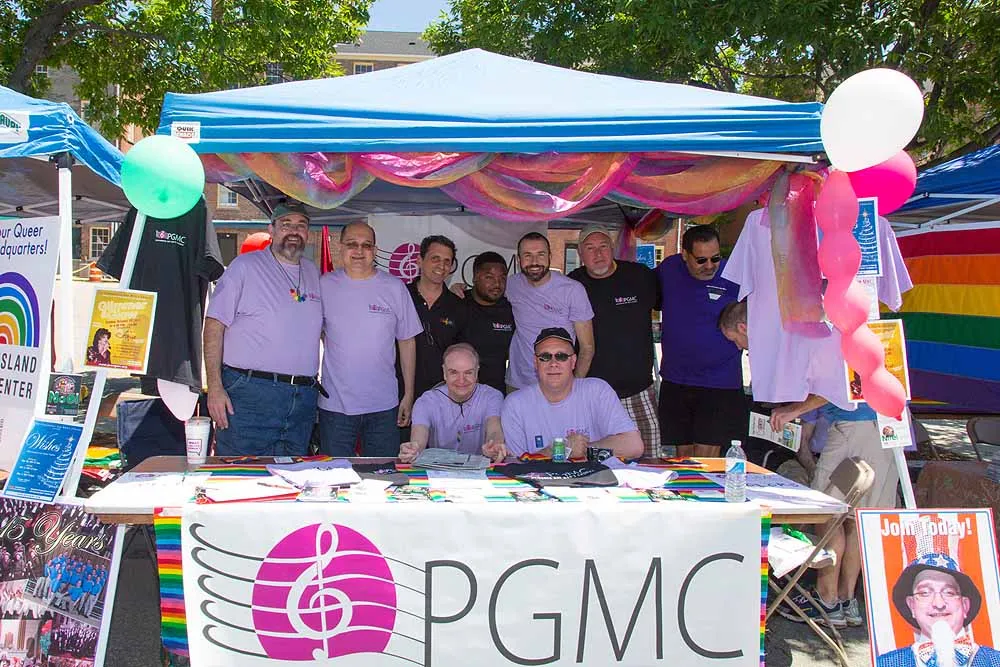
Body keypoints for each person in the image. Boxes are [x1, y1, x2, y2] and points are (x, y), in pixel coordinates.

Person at [719, 298, 898, 628]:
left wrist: (795, 410)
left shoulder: (803, 332)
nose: (740, 349)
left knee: (825, 510)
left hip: (857, 425)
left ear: (744, 327)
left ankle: (829, 599)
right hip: (879, 422)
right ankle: (844, 601)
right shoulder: (825, 324)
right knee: (854, 517)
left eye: (736, 340)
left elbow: (840, 384)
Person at [204, 202, 324, 456]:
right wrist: (214, 387)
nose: (294, 231)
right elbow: (214, 325)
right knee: (240, 473)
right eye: (286, 225)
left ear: (308, 232)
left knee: (293, 475)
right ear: (272, 229)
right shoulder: (244, 267)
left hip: (301, 400)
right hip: (249, 396)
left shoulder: (313, 272)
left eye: (301, 225)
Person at [318, 222, 423, 457]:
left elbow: (407, 341)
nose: (359, 251)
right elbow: (314, 333)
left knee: (382, 473)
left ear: (375, 251)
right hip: (336, 406)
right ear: (340, 247)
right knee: (334, 473)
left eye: (366, 245)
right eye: (352, 244)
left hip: (383, 406)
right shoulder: (323, 286)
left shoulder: (394, 287)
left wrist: (408, 394)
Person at [568, 225, 662, 457]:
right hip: (591, 395)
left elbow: (669, 304)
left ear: (612, 249)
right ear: (580, 254)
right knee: (591, 460)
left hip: (637, 391)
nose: (598, 254)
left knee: (649, 460)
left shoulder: (640, 276)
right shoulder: (572, 284)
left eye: (603, 247)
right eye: (590, 248)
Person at [657, 224, 746, 458]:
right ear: (684, 255)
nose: (709, 266)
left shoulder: (735, 274)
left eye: (715, 258)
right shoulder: (669, 269)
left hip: (719, 381)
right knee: (682, 455)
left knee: (706, 459)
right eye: (701, 260)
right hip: (676, 379)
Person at [501, 327, 643, 459]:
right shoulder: (515, 404)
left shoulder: (597, 390)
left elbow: (634, 446)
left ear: (573, 361)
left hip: (594, 477)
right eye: (545, 357)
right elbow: (515, 464)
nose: (553, 363)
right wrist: (560, 450)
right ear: (535, 362)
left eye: (561, 356)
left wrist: (585, 449)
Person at [506, 232, 595, 391]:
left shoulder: (572, 290)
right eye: (527, 255)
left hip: (559, 385)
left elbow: (587, 347)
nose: (534, 262)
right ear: (519, 260)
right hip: (518, 383)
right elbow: (483, 295)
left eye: (541, 255)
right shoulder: (511, 284)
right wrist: (459, 289)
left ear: (550, 257)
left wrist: (574, 388)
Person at [877, 553, 1000, 667]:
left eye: (949, 593)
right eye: (925, 593)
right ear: (912, 605)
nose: (939, 604)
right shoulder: (884, 664)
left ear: (965, 605)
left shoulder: (996, 661)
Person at [399, 343, 506, 463]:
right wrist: (413, 449)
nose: (461, 380)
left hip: (480, 467)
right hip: (438, 467)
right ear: (444, 373)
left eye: (468, 373)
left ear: (477, 372)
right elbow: (419, 436)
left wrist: (494, 445)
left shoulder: (492, 397)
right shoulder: (426, 401)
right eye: (454, 372)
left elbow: (494, 428)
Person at [402, 235, 468, 400]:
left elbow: (461, 354)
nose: (441, 266)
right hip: (397, 393)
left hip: (441, 396)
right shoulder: (401, 296)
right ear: (419, 260)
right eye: (435, 259)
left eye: (447, 261)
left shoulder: (458, 306)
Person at [457, 252, 515, 394]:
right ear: (475, 277)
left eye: (502, 278)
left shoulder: (511, 309)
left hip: (496, 394)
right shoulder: (457, 304)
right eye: (489, 277)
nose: (497, 284)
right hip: (459, 392)